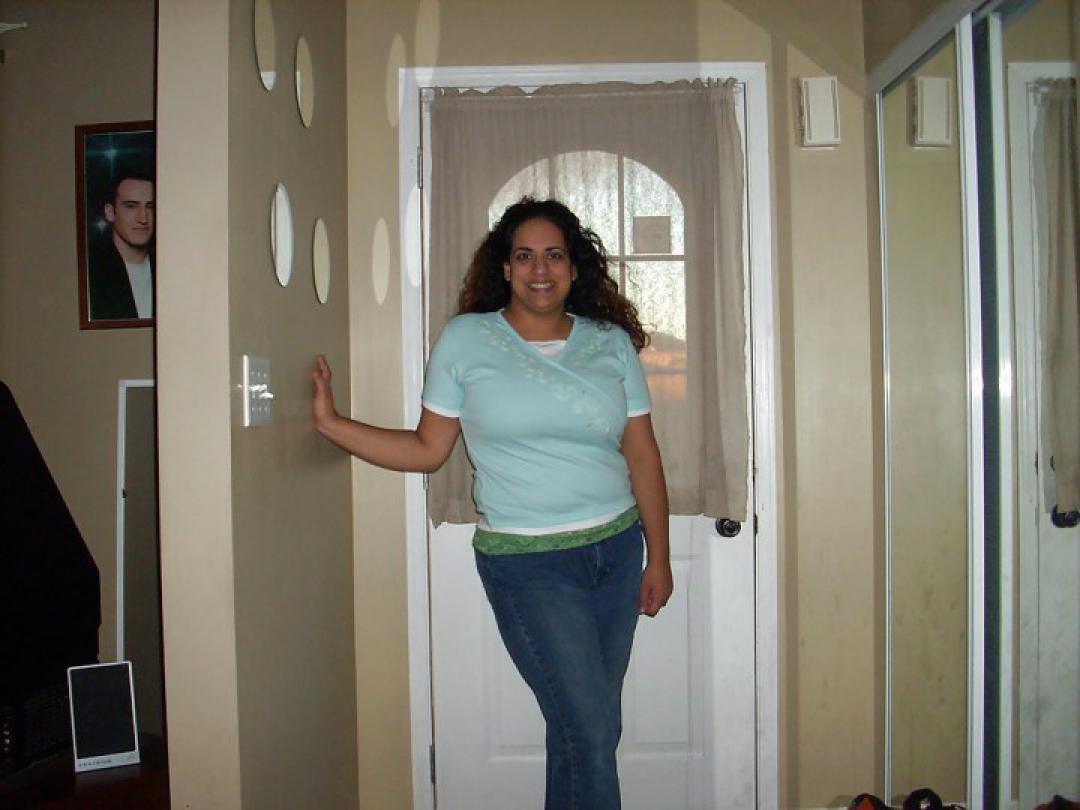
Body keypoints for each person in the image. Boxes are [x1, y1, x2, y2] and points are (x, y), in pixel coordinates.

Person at [311, 197, 673, 810]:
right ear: (504, 268)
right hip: (529, 564)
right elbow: (428, 450)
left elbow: (642, 454)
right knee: (590, 733)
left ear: (574, 267)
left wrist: (657, 557)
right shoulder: (467, 340)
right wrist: (331, 423)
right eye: (524, 256)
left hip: (615, 553)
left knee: (586, 731)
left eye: (554, 255)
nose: (540, 269)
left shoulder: (609, 344)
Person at [86, 167, 154, 321]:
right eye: (131, 206)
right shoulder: (90, 271)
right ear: (110, 212)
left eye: (150, 207)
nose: (143, 218)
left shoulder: (173, 267)